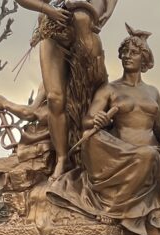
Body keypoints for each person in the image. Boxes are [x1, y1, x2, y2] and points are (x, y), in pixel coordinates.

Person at [46, 24, 160, 235]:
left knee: (149, 155)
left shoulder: (153, 92)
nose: (127, 56)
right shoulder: (110, 88)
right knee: (142, 154)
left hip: (147, 150)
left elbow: (157, 126)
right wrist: (98, 119)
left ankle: (131, 213)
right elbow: (87, 121)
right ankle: (113, 209)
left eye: (134, 52)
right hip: (117, 151)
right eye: (124, 52)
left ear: (144, 59)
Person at [16, 0, 118, 178]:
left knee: (90, 90)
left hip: (84, 29)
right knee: (55, 98)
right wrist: (48, 9)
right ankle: (62, 158)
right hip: (53, 33)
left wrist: (108, 11)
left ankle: (90, 153)